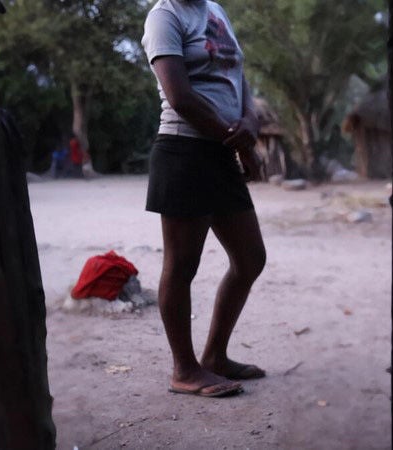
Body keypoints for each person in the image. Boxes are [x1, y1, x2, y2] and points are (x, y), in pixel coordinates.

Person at [141, 0, 267, 398]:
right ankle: (184, 369)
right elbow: (180, 96)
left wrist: (249, 123)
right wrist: (238, 140)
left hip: (220, 151)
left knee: (250, 259)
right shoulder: (165, 16)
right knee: (181, 266)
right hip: (184, 150)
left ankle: (215, 356)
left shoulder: (214, 10)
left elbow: (238, 77)